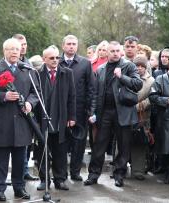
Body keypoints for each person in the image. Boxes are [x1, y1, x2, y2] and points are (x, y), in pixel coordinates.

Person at [0, 38, 39, 201]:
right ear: (4, 51)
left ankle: (19, 187)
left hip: (22, 122)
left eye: (17, 49)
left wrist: (30, 103)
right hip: (3, 122)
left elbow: (35, 92)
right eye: (11, 49)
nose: (15, 52)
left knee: (21, 159)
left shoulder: (27, 69)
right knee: (0, 159)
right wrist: (3, 96)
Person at [84, 41, 142, 187]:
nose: (115, 53)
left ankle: (119, 175)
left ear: (121, 52)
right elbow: (95, 93)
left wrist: (122, 77)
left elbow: (138, 84)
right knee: (99, 145)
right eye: (112, 51)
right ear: (106, 53)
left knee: (123, 146)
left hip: (123, 112)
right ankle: (93, 174)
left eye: (117, 51)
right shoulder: (101, 69)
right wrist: (93, 112)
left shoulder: (129, 66)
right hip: (105, 112)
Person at [35, 45, 76, 191]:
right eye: (51, 58)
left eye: (57, 57)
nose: (55, 60)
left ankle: (60, 179)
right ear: (44, 59)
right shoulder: (37, 73)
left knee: (60, 151)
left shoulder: (67, 73)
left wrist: (72, 116)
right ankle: (43, 179)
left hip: (61, 118)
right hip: (42, 119)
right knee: (42, 150)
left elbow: (72, 97)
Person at [59, 34, 96, 182]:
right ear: (63, 46)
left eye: (74, 44)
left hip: (80, 110)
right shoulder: (57, 62)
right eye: (68, 44)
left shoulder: (85, 63)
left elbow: (92, 88)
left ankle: (75, 172)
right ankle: (61, 173)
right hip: (60, 110)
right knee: (61, 143)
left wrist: (91, 110)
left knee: (79, 143)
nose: (71, 46)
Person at [12, 33, 38, 181]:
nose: (23, 47)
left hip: (27, 110)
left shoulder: (28, 64)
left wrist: (30, 102)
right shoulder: (10, 64)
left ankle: (25, 170)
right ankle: (17, 173)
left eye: (25, 44)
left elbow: (35, 90)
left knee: (27, 143)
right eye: (20, 44)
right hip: (12, 110)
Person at [150, 54, 169, 184]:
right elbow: (152, 96)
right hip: (165, 119)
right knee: (167, 147)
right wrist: (167, 100)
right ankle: (168, 172)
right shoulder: (160, 78)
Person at [131, 56, 154, 180]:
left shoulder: (151, 81)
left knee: (139, 144)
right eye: (137, 65)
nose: (139, 68)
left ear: (145, 67)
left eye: (142, 66)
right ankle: (120, 168)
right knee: (122, 143)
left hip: (142, 117)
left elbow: (152, 98)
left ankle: (138, 170)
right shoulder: (128, 77)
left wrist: (138, 106)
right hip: (126, 116)